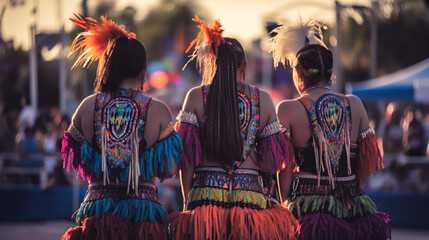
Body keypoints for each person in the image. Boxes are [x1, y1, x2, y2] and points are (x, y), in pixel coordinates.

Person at [168, 16, 297, 240]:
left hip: (205, 204)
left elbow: (186, 157)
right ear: (244, 67)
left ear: (213, 62)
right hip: (250, 203)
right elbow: (270, 163)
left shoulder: (197, 96)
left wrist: (188, 201)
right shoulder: (262, 99)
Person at [61, 14, 183, 240]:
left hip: (98, 216)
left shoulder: (87, 106)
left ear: (107, 66)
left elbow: (72, 156)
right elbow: (171, 165)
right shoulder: (158, 110)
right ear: (144, 70)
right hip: (143, 219)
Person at [271, 20, 391, 239]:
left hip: (308, 211)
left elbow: (284, 169)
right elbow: (364, 165)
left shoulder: (287, 109)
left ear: (299, 74)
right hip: (354, 208)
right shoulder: (354, 104)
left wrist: (284, 207)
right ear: (330, 73)